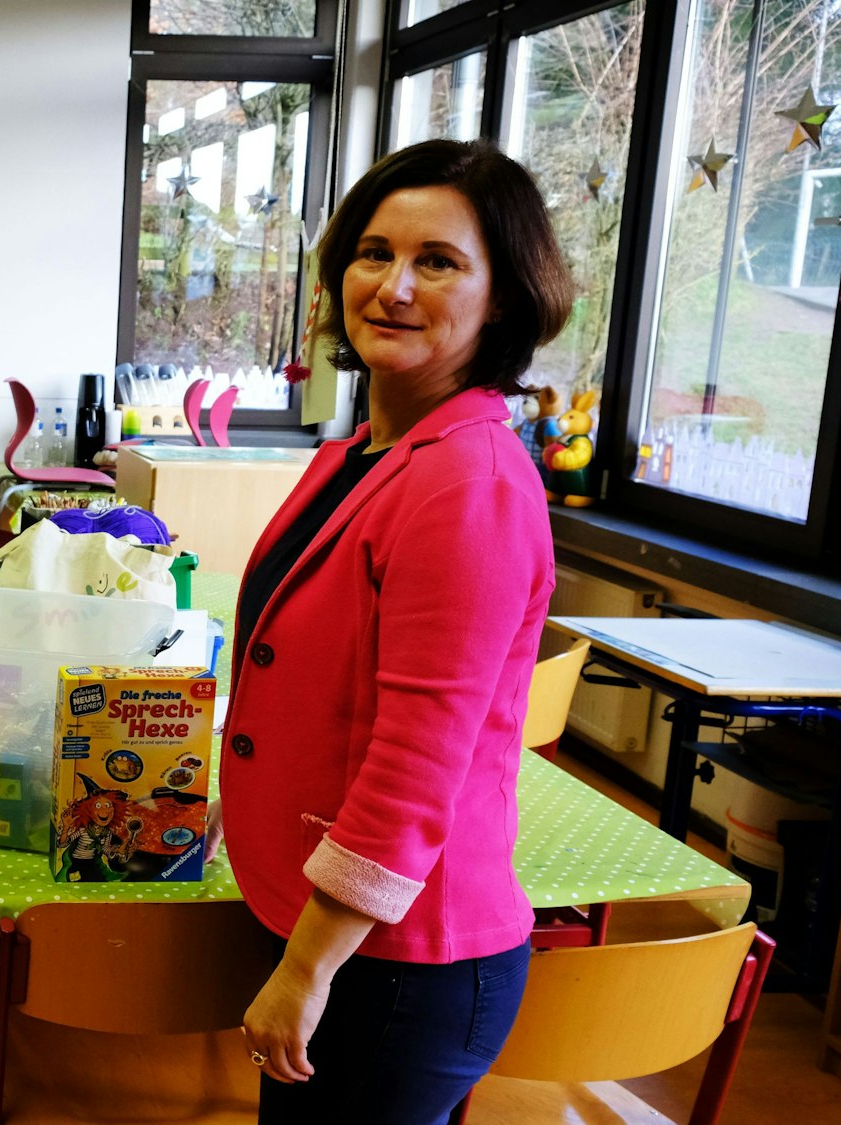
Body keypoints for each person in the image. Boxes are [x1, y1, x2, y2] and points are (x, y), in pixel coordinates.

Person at [221, 138, 574, 1124]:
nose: (393, 286)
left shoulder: (466, 479)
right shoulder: (368, 456)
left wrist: (307, 965)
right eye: (372, 253)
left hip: (398, 962)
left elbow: (417, 760)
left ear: (501, 297)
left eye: (438, 262)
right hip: (348, 934)